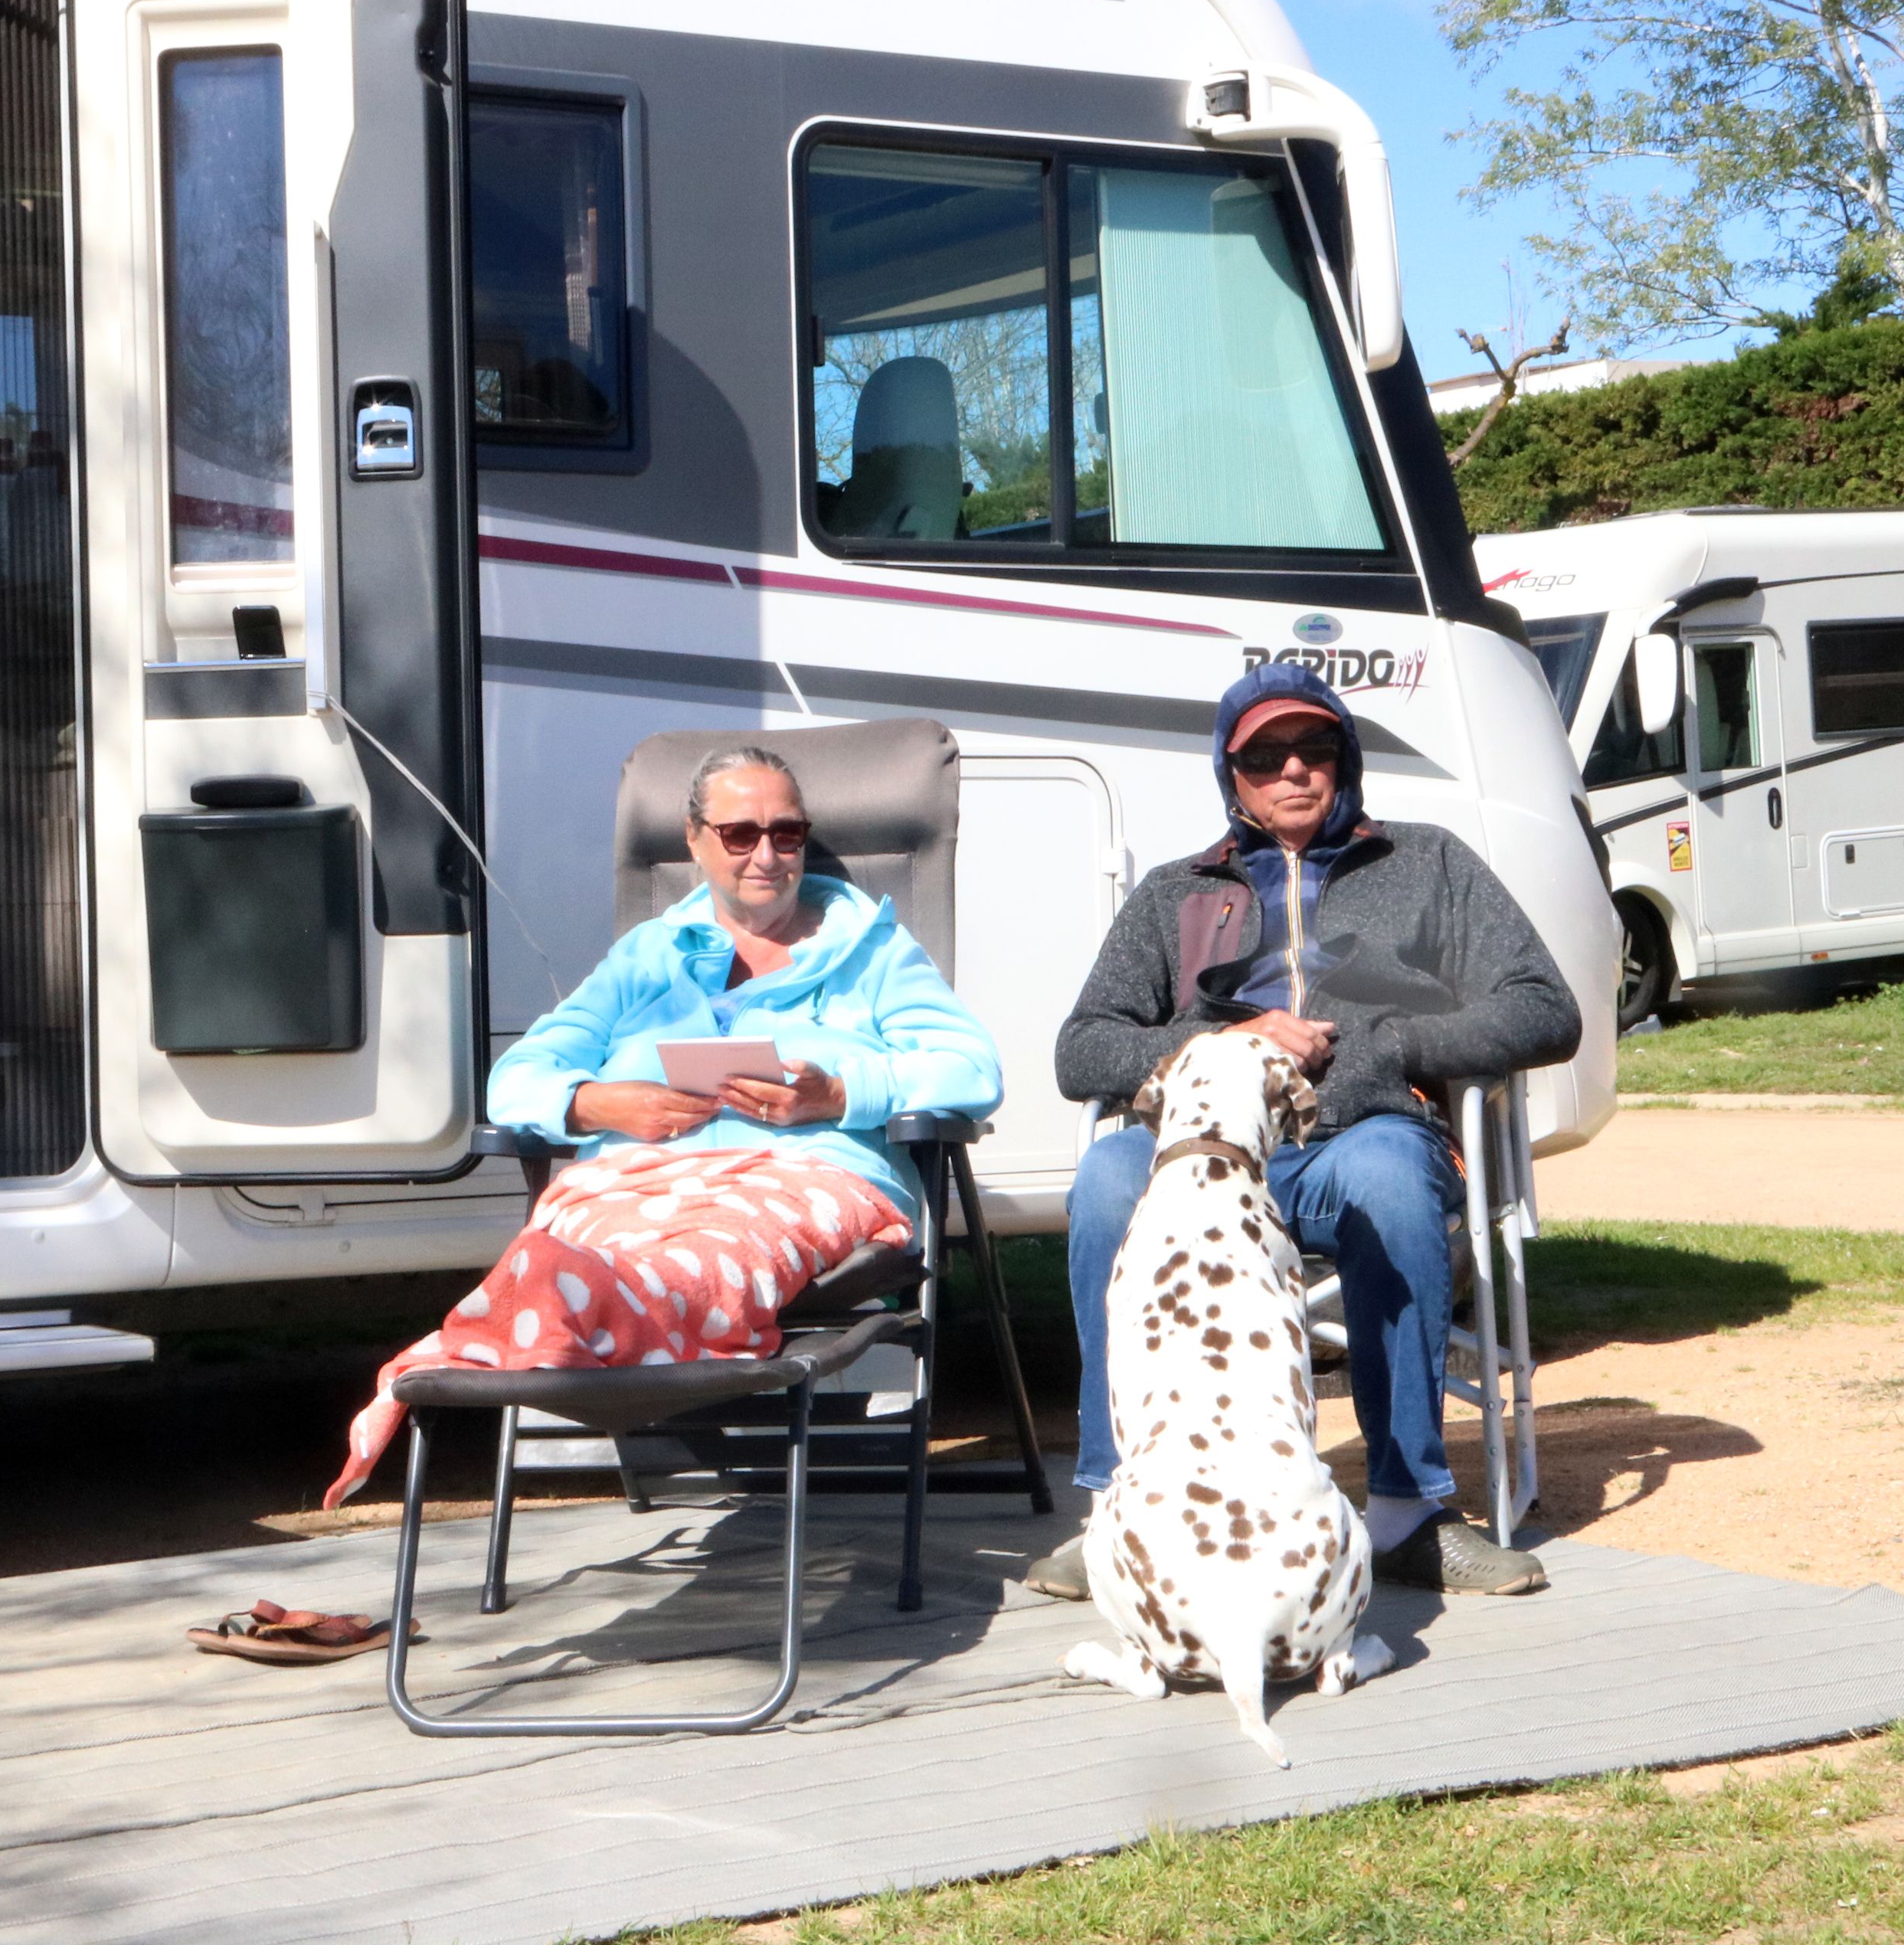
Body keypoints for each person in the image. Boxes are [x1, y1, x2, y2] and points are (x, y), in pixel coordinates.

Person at [324, 744, 999, 1506]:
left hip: (799, 1179)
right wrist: (599, 1103)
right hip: (632, 1178)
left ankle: (563, 1314)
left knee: (721, 1246)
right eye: (741, 834)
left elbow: (972, 1067)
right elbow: (518, 1077)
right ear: (694, 838)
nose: (769, 854)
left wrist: (840, 1093)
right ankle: (576, 1296)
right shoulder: (648, 956)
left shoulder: (869, 951)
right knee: (585, 1238)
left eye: (788, 833)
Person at [1034, 662, 1581, 1597]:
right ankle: (1115, 1506)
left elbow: (1545, 1009)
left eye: (1315, 748)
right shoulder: (1176, 893)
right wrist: (1225, 1038)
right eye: (1266, 757)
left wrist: (1389, 1042)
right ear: (1231, 774)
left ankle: (1407, 1511)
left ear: (1346, 760)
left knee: (1390, 1185)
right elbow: (1082, 1051)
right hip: (1200, 1155)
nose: (1294, 771)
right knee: (1106, 1182)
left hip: (1360, 1133)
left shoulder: (1429, 863)